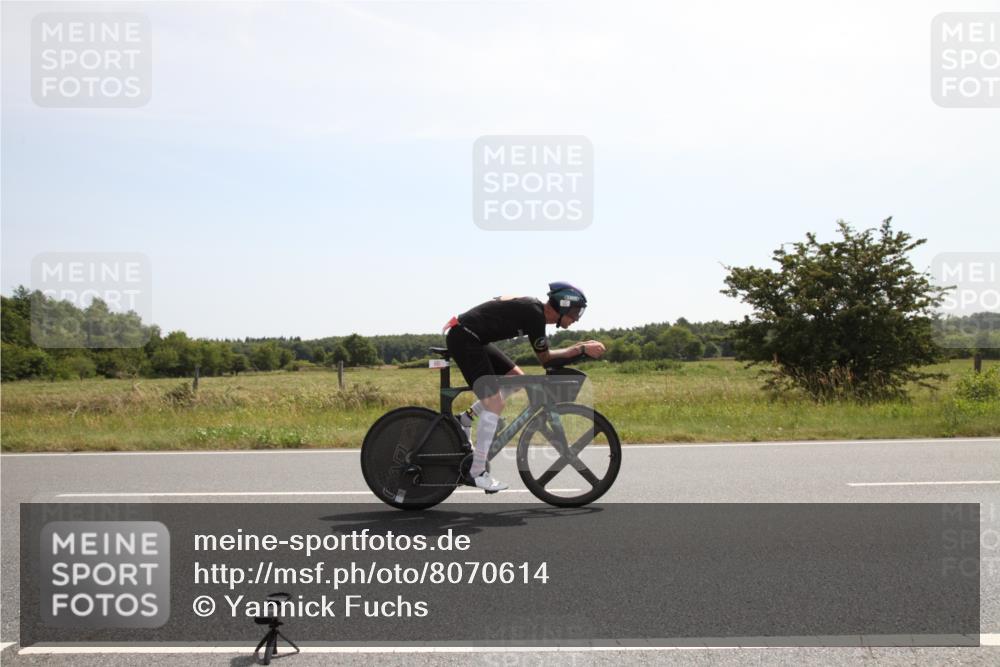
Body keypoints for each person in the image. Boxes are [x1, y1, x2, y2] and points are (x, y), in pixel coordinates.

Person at [442, 282, 606, 492]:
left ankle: (464, 419)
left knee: (517, 379)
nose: (576, 318)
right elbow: (546, 360)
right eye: (575, 312)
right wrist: (581, 348)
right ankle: (476, 472)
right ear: (564, 305)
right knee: (494, 404)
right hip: (465, 338)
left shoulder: (534, 311)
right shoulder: (535, 315)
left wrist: (578, 348)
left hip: (472, 336)